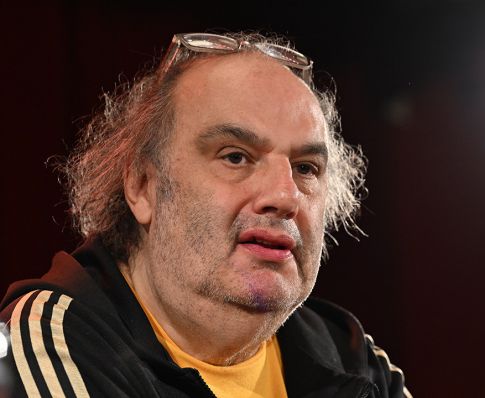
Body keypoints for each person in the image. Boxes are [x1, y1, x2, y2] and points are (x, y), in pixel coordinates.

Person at [0, 32, 410, 398]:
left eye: (306, 168)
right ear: (143, 187)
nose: (285, 196)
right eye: (236, 157)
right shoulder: (47, 340)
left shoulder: (350, 354)